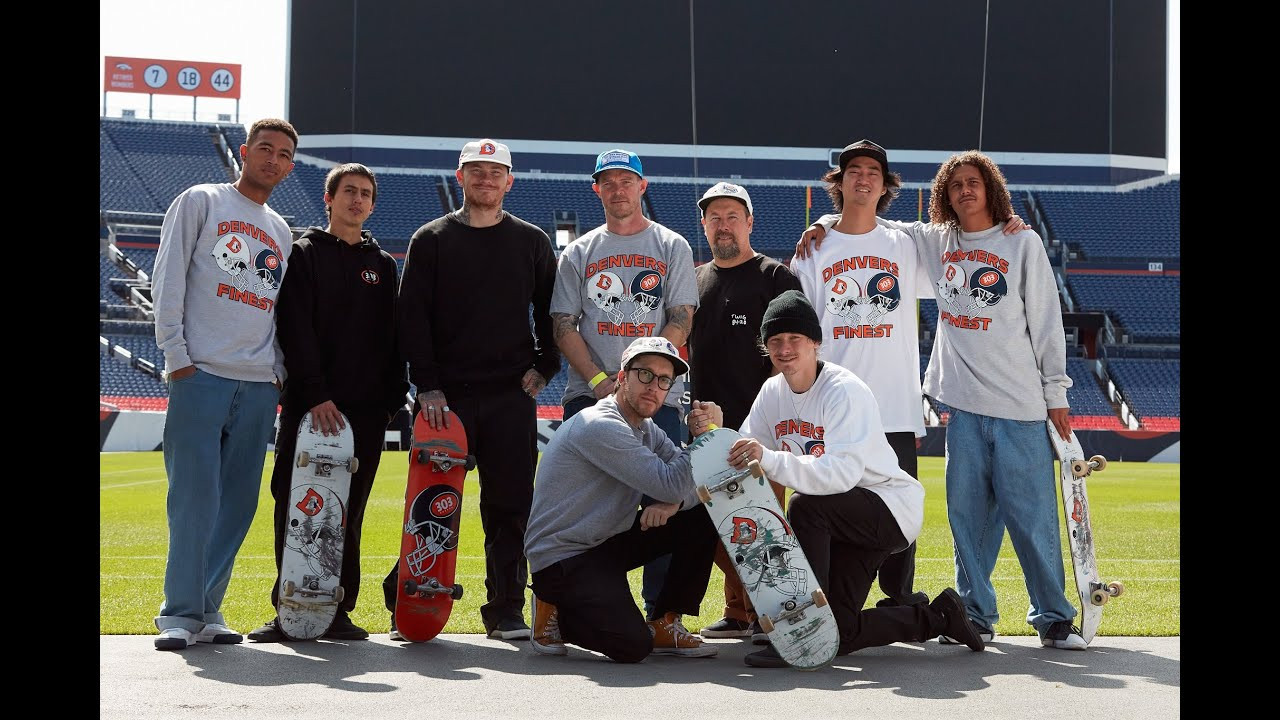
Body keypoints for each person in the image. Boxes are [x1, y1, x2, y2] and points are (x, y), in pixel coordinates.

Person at [797, 151, 1081, 649]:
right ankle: (975, 614)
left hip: (1020, 405)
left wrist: (1055, 391)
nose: (965, 191)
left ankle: (1054, 618)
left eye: (974, 182)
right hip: (962, 405)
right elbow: (863, 221)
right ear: (943, 197)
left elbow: (1048, 323)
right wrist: (822, 219)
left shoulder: (1022, 241)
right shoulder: (932, 242)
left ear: (991, 187)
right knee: (966, 522)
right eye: (955, 185)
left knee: (1033, 521)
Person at [715, 290, 986, 668]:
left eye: (795, 339)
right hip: (840, 518)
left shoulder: (844, 390)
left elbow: (841, 474)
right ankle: (939, 616)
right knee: (838, 633)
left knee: (804, 506)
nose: (785, 349)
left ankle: (804, 628)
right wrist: (715, 433)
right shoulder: (771, 392)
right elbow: (747, 456)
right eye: (775, 341)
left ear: (815, 343)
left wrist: (771, 458)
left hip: (887, 508)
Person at [391, 138, 561, 640]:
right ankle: (410, 603)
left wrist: (544, 366)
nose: (485, 179)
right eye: (476, 170)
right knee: (430, 503)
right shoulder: (432, 239)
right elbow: (412, 317)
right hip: (449, 398)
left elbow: (553, 311)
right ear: (460, 176)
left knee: (510, 508)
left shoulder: (531, 241)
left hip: (512, 396)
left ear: (509, 181)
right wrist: (429, 387)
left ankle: (505, 609)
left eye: (495, 172)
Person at [150, 118, 298, 650]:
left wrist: (278, 371)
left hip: (258, 382)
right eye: (265, 148)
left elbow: (277, 309)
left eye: (283, 154)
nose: (273, 159)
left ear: (290, 166)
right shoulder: (201, 201)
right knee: (193, 497)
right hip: (202, 372)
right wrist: (176, 355)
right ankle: (180, 613)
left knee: (238, 503)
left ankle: (210, 608)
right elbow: (166, 277)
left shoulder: (281, 230)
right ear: (244, 151)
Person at [247, 163, 407, 643]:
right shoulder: (303, 253)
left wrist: (391, 400)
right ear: (329, 199)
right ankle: (289, 609)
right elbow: (294, 327)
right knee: (295, 504)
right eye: (349, 192)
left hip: (365, 412)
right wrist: (315, 392)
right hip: (310, 406)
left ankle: (338, 611)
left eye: (365, 194)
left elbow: (392, 338)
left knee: (349, 510)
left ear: (372, 205)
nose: (357, 200)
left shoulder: (383, 265)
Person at [549, 149, 699, 620]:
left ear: (642, 186)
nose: (618, 189)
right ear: (597, 189)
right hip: (590, 397)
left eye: (626, 180)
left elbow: (680, 318)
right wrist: (601, 383)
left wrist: (650, 378)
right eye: (608, 182)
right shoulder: (579, 250)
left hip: (658, 399)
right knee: (582, 507)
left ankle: (661, 615)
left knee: (667, 501)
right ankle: (562, 605)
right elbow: (563, 325)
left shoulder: (671, 245)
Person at [525, 337, 721, 662]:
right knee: (632, 647)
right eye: (644, 374)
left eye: (663, 381)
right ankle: (552, 603)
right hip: (564, 558)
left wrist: (674, 503)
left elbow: (685, 483)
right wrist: (707, 437)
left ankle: (663, 621)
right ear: (622, 377)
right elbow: (673, 482)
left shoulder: (645, 428)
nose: (653, 387)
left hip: (604, 544)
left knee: (701, 513)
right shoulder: (601, 425)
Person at [686, 181, 802, 640]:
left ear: (750, 222)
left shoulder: (775, 277)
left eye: (733, 215)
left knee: (760, 527)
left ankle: (767, 611)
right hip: (708, 430)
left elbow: (792, 351)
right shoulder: (695, 280)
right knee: (715, 528)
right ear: (704, 224)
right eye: (714, 216)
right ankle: (738, 609)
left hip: (762, 432)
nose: (723, 224)